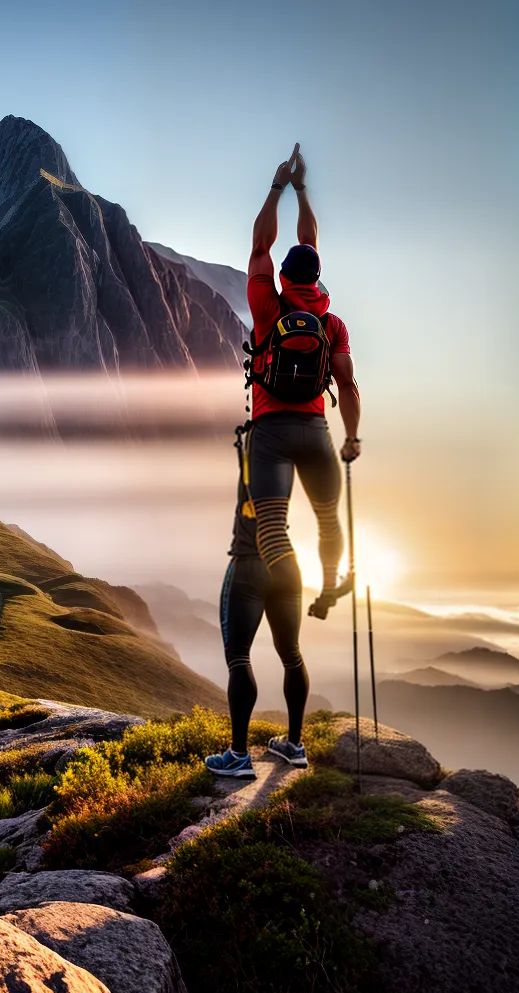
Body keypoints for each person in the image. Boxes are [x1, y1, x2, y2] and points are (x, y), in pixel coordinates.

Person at [205, 144, 362, 779]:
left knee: (269, 534)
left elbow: (261, 246)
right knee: (324, 521)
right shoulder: (330, 320)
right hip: (319, 434)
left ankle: (239, 754)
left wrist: (275, 187)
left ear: (284, 275)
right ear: (318, 274)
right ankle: (329, 583)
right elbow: (348, 387)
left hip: (270, 434)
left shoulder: (270, 307)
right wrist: (352, 439)